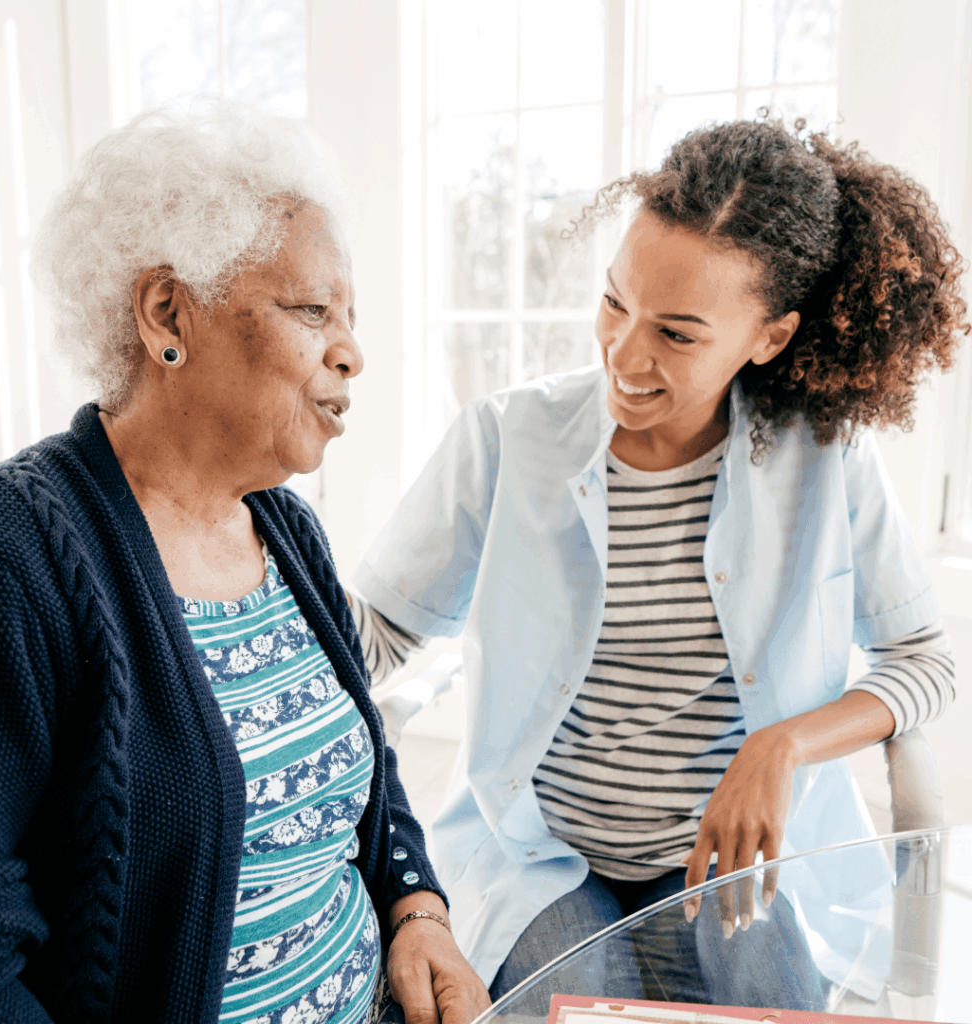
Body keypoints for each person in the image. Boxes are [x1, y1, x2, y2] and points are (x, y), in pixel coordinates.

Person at [349, 119, 966, 1008]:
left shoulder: (826, 459)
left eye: (676, 335)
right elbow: (375, 632)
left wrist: (781, 748)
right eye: (614, 303)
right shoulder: (504, 440)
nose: (624, 355)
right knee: (578, 998)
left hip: (733, 869)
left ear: (770, 336)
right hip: (544, 856)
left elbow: (926, 661)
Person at [0, 102, 489, 1024]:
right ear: (168, 313)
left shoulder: (285, 527)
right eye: (313, 309)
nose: (352, 351)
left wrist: (417, 909)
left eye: (349, 316)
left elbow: (363, 761)